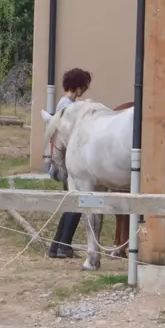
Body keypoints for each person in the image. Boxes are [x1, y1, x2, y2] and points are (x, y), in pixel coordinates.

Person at [47, 69, 93, 258]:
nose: (85, 89)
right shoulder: (67, 106)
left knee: (71, 204)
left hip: (68, 162)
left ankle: (57, 246)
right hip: (69, 163)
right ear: (78, 86)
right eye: (85, 86)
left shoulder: (66, 103)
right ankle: (62, 245)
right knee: (75, 204)